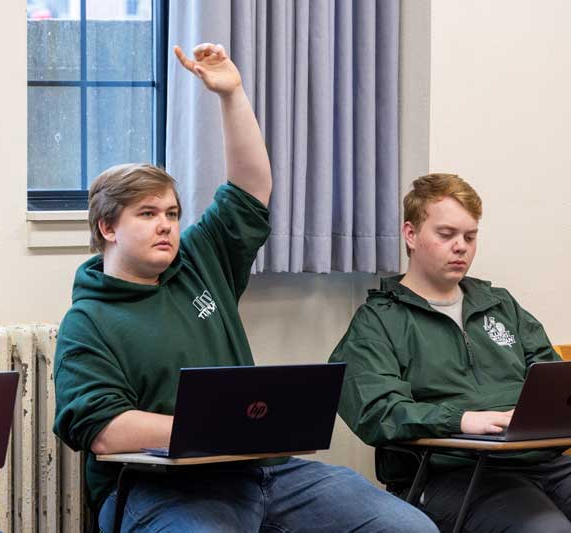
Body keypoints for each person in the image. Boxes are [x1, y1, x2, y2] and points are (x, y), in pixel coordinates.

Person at [52, 42, 437, 533]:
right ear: (107, 228)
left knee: (410, 528)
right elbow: (105, 433)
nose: (166, 226)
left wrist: (232, 94)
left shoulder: (197, 260)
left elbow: (252, 187)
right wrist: (221, 430)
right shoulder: (87, 322)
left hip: (262, 471)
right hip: (158, 487)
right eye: (147, 215)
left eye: (171, 213)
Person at [330, 173, 571, 532]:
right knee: (546, 528)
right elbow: (376, 411)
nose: (461, 246)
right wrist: (460, 419)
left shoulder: (500, 305)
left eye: (470, 237)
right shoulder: (379, 321)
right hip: (450, 474)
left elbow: (553, 381)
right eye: (447, 235)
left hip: (539, 459)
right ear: (411, 235)